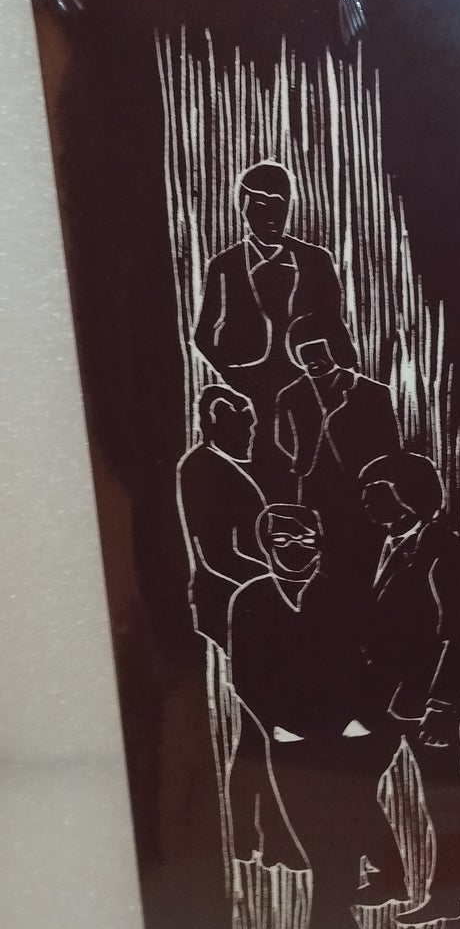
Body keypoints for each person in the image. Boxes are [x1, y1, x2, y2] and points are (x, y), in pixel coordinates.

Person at [228, 504, 408, 929]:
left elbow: (383, 658)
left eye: (306, 540)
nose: (296, 550)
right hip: (289, 740)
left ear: (320, 543)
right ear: (266, 546)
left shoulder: (343, 593)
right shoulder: (250, 598)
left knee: (334, 850)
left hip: (348, 737)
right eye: (284, 541)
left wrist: (361, 718)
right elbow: (244, 676)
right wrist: (276, 725)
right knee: (320, 843)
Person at [360, 453, 460, 924]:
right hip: (382, 696)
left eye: (377, 493)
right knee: (350, 783)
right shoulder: (384, 545)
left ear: (408, 495)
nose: (366, 502)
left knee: (444, 797)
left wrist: (441, 705)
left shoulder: (446, 549)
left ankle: (448, 895)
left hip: (428, 699)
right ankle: (389, 877)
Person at [194, 161, 356, 493]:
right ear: (243, 208)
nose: (270, 216)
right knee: (264, 467)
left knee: (317, 472)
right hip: (254, 386)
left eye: (278, 206)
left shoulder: (316, 260)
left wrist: (347, 372)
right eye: (259, 206)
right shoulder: (224, 265)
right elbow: (203, 335)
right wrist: (235, 375)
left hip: (309, 382)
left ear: (289, 207)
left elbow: (333, 322)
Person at [275, 317, 400, 585]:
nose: (311, 359)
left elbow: (390, 450)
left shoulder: (374, 393)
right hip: (318, 499)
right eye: (303, 352)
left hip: (365, 497)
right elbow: (285, 445)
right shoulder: (292, 396)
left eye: (318, 349)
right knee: (328, 568)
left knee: (368, 567)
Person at [175, 386, 266, 651]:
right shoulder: (206, 469)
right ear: (217, 425)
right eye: (244, 426)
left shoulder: (219, 466)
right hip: (226, 600)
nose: (251, 434)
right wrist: (272, 582)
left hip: (236, 598)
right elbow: (218, 556)